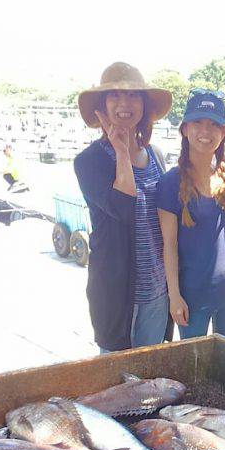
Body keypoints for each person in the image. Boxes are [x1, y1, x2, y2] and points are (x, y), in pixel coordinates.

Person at [74, 62, 172, 353]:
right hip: (116, 294)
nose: (124, 104)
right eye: (114, 96)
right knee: (119, 383)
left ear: (143, 104)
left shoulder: (155, 155)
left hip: (156, 291)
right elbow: (123, 207)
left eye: (133, 96)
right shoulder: (89, 161)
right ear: (102, 105)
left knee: (151, 381)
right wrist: (121, 151)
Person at [156, 89, 225, 341]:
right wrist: (174, 295)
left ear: (224, 133)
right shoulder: (169, 182)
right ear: (185, 129)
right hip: (192, 297)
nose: (205, 132)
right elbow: (169, 246)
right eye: (197, 122)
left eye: (214, 124)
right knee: (193, 372)